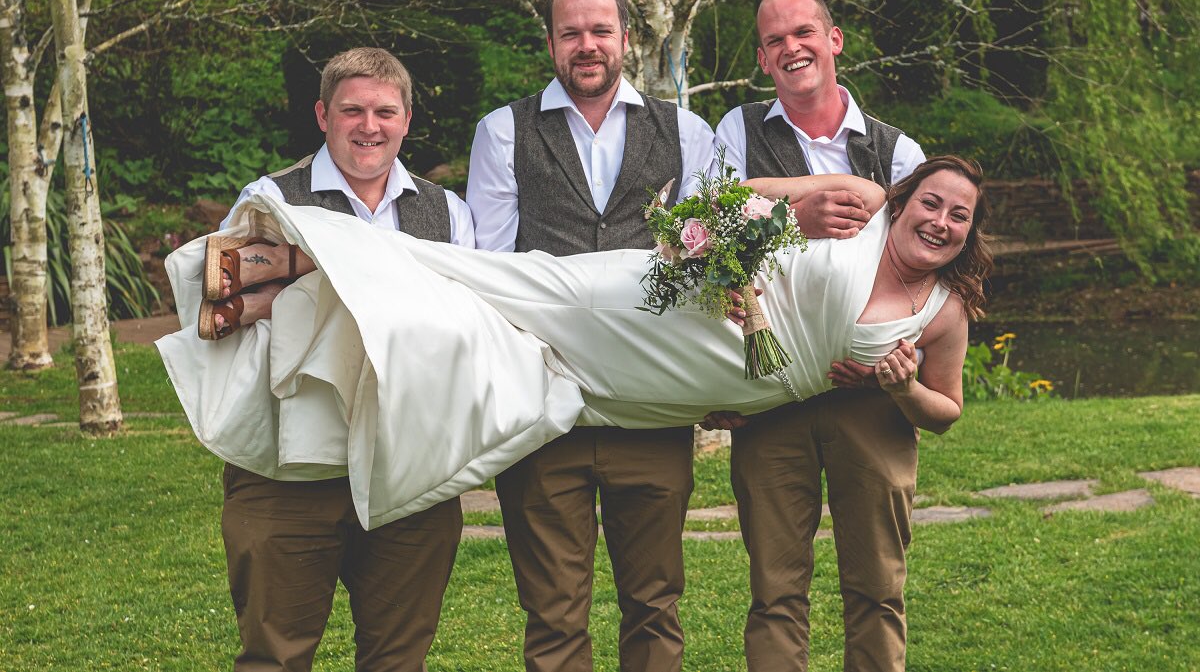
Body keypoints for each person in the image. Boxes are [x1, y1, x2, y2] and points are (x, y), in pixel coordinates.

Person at [158, 156, 991, 540]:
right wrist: (782, 222)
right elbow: (708, 203)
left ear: (968, 235)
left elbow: (945, 409)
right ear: (908, 195)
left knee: (514, 370)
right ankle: (274, 265)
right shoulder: (856, 201)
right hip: (667, 304)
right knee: (501, 282)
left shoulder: (943, 311)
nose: (940, 220)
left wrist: (899, 387)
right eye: (934, 202)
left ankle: (309, 319)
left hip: (702, 384)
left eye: (959, 216)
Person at [179, 47, 475, 672]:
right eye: (352, 110)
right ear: (322, 114)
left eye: (384, 112)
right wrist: (335, 265)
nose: (369, 126)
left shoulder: (448, 212)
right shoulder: (270, 199)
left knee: (399, 659)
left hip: (408, 469)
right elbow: (216, 296)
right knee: (275, 658)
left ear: (408, 119)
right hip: (288, 474)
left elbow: (468, 326)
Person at [464, 0, 716, 672]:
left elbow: (705, 267)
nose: (587, 45)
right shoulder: (502, 131)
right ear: (550, 41)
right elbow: (492, 272)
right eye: (571, 32)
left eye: (601, 30)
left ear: (626, 40)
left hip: (652, 410)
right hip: (544, 412)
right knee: (552, 617)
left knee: (655, 606)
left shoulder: (684, 131)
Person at [708, 0, 931, 672]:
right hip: (772, 398)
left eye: (803, 32)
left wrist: (893, 360)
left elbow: (933, 268)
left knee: (878, 590)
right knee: (775, 592)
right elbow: (703, 235)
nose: (791, 48)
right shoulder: (735, 133)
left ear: (834, 40)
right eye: (775, 41)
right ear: (762, 59)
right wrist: (793, 219)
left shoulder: (897, 152)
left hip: (871, 396)